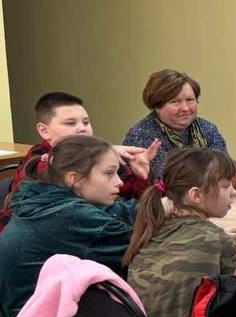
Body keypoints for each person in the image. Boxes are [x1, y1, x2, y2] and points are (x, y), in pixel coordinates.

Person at [125, 149, 236, 317]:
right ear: (196, 195)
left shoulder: (151, 229)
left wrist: (223, 239)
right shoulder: (213, 238)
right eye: (226, 186)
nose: (233, 192)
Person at [0, 136, 140, 317]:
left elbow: (119, 211)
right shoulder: (70, 215)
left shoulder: (45, 198)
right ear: (74, 179)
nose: (119, 182)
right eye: (109, 173)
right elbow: (141, 250)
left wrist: (167, 206)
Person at [0, 91, 158, 234]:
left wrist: (140, 177)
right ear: (44, 130)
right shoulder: (37, 159)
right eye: (70, 123)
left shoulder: (103, 157)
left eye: (86, 122)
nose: (82, 128)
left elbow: (130, 202)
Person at [122, 68, 236, 187]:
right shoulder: (141, 134)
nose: (185, 108)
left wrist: (233, 172)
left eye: (190, 100)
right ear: (157, 106)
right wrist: (218, 177)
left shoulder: (207, 128)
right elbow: (166, 180)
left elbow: (224, 161)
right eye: (175, 102)